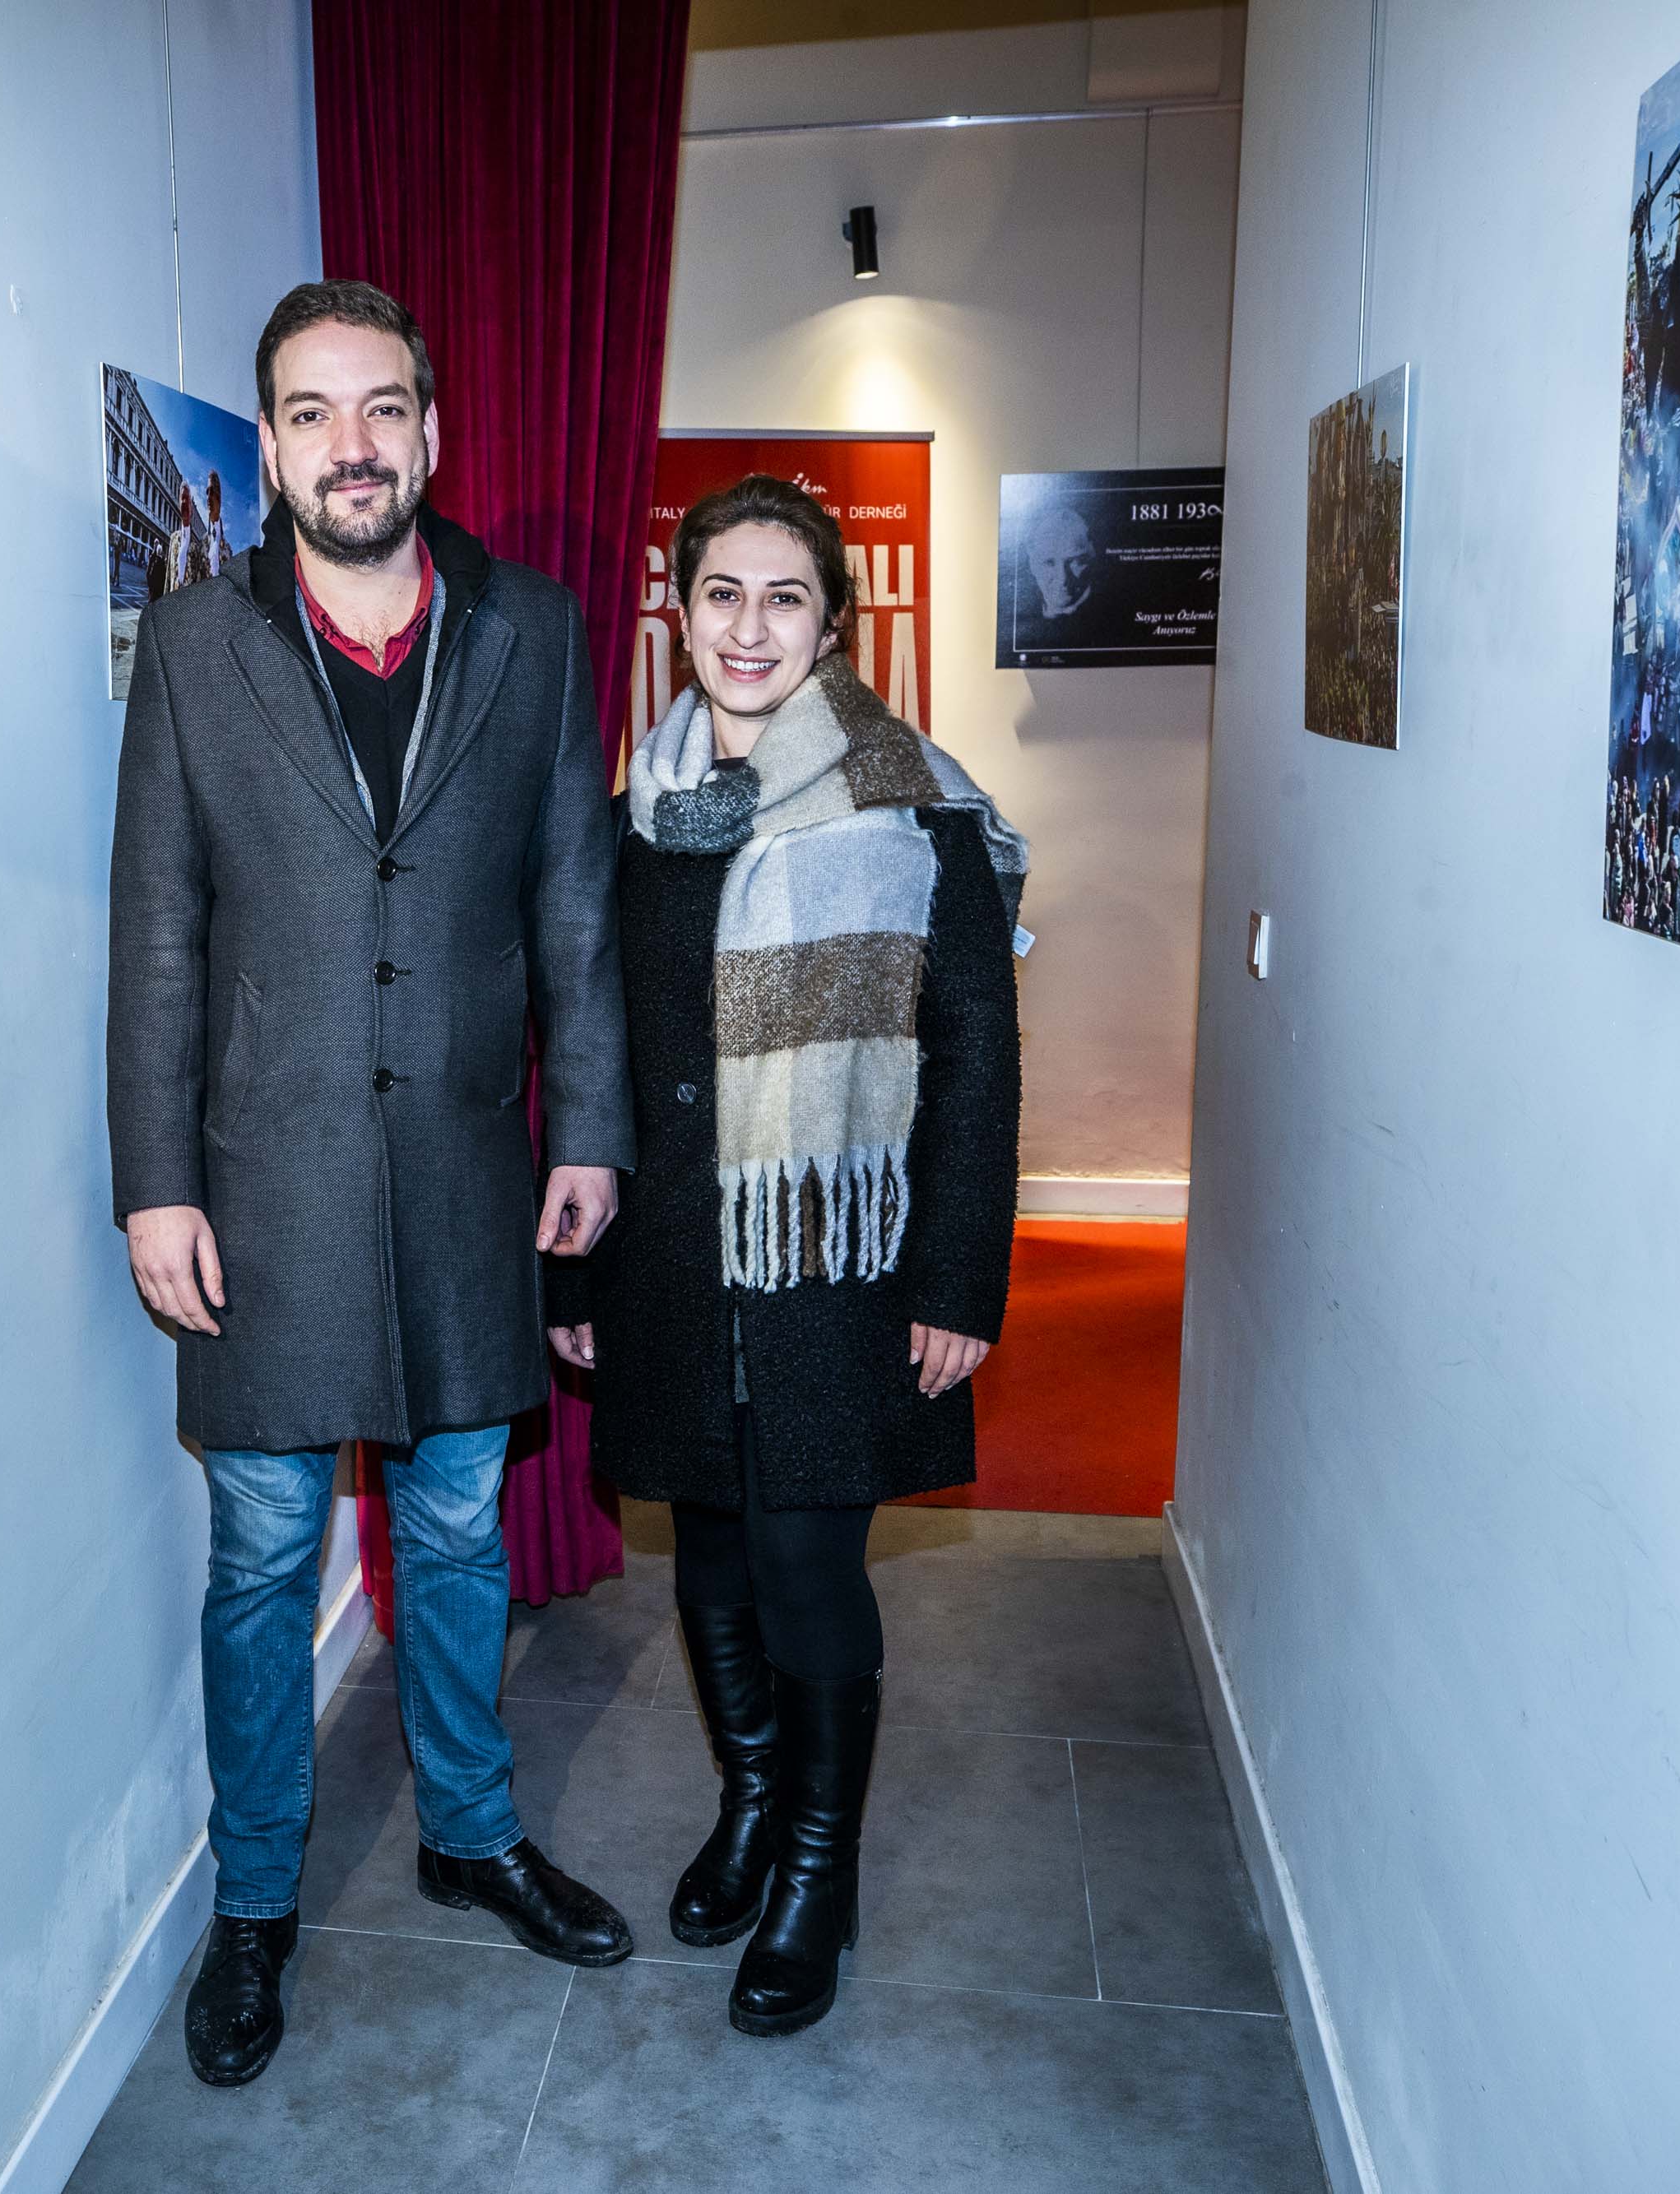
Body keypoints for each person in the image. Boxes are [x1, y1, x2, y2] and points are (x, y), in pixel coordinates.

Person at [106, 279, 637, 2089]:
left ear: (431, 430)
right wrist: (154, 1182)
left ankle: (469, 1831)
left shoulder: (533, 630)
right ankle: (257, 1896)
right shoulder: (196, 644)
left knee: (459, 1529)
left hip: (469, 1173)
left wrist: (588, 1128)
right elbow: (158, 928)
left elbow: (573, 898)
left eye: (383, 407)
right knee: (262, 1553)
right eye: (314, 414)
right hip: (260, 1185)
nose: (353, 445)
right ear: (269, 450)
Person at [545, 474, 1023, 2038]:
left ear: (832, 624)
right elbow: (595, 1051)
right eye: (723, 594)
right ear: (680, 614)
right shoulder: (643, 807)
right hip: (677, 1259)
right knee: (711, 1548)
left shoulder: (916, 808)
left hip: (835, 1259)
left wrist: (957, 1276)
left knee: (809, 1560)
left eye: (785, 597)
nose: (750, 628)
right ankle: (753, 1798)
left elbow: (975, 1053)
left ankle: (821, 1865)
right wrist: (578, 1264)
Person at [1009, 493, 1128, 657]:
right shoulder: (1017, 621)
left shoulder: (1118, 624)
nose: (1063, 579)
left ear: (1093, 555)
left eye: (1074, 562)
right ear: (1032, 563)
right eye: (1049, 563)